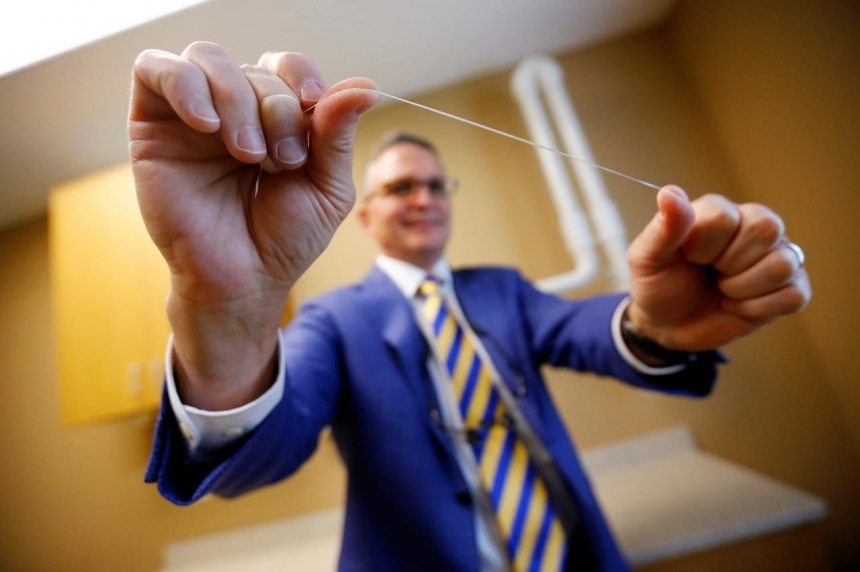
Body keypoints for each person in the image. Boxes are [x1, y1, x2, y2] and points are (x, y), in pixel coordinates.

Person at [131, 43, 811, 572]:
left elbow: (587, 330)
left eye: (434, 185)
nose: (422, 198)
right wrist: (227, 311)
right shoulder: (333, 321)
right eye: (400, 188)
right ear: (365, 216)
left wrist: (652, 326)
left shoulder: (504, 291)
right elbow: (264, 454)